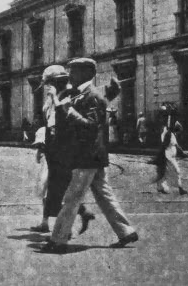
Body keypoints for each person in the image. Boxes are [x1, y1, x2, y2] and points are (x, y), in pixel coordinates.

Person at [41, 58, 138, 253]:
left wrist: (65, 107)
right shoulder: (82, 94)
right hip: (91, 156)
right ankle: (126, 231)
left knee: (72, 198)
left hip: (87, 156)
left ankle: (58, 240)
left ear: (86, 73)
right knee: (104, 195)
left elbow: (90, 125)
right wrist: (61, 103)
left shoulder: (91, 96)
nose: (70, 76)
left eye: (74, 72)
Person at [31, 65, 95, 235]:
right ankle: (50, 222)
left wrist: (54, 98)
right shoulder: (52, 98)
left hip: (64, 148)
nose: (48, 86)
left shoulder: (67, 95)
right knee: (52, 185)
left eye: (51, 82)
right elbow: (47, 122)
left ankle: (69, 226)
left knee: (60, 187)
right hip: (53, 147)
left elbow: (63, 122)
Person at [156, 117, 188, 195]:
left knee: (167, 172)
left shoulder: (173, 135)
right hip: (168, 156)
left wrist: (183, 153)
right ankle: (180, 189)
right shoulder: (168, 134)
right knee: (177, 171)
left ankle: (160, 187)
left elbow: (177, 145)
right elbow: (164, 145)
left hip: (171, 157)